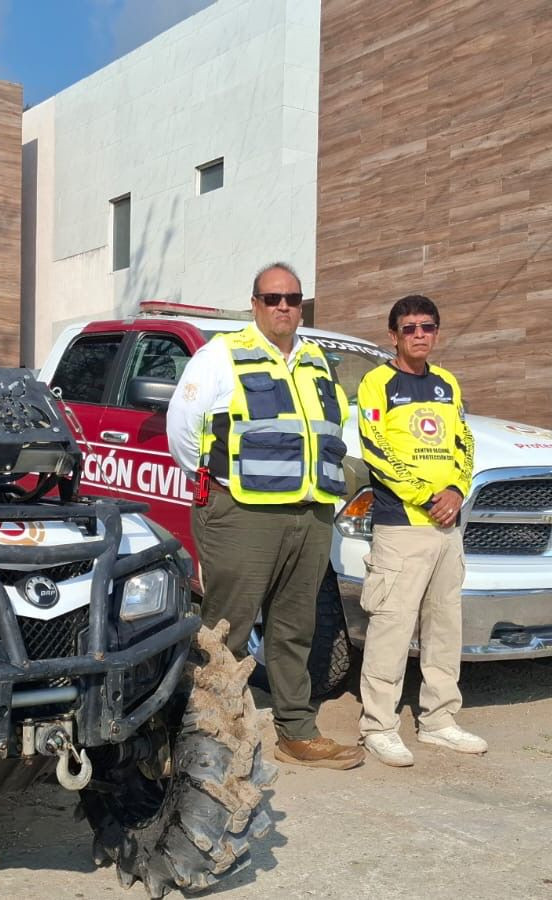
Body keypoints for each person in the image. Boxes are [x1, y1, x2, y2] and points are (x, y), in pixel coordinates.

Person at [166, 262, 363, 770]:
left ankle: (296, 730)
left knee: (295, 628)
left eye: (293, 299)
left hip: (310, 515)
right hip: (243, 514)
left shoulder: (318, 362)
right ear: (254, 303)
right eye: (273, 298)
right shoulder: (221, 356)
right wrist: (220, 481)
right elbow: (183, 429)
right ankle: (211, 736)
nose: (283, 307)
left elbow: (335, 431)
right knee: (226, 628)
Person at [355, 295, 483, 766]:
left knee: (444, 628)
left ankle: (439, 720)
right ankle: (378, 726)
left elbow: (465, 444)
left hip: (448, 528)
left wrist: (455, 489)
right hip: (403, 526)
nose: (419, 335)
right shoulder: (377, 383)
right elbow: (376, 449)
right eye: (409, 328)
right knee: (391, 628)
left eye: (427, 327)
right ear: (393, 335)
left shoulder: (448, 384)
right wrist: (428, 497)